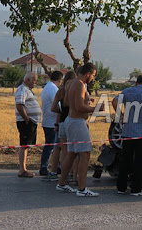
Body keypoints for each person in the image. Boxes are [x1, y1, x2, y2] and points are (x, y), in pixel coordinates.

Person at [56, 63, 99, 197]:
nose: (93, 78)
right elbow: (79, 106)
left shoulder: (69, 83)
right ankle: (82, 189)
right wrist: (96, 109)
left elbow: (69, 103)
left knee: (72, 153)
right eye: (93, 75)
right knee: (85, 154)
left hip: (70, 120)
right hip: (77, 122)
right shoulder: (80, 84)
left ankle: (62, 183)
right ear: (88, 74)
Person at [112, 74, 142, 196]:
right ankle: (136, 189)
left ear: (136, 83)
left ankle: (121, 188)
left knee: (125, 160)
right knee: (139, 161)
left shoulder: (127, 92)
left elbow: (114, 101)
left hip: (128, 133)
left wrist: (120, 115)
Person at [44, 71, 76, 182]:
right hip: (72, 122)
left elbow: (53, 108)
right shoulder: (74, 91)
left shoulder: (60, 91)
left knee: (62, 149)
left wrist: (61, 112)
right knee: (72, 149)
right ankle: (72, 173)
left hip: (62, 123)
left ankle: (63, 173)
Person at [15, 72, 42, 178]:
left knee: (26, 145)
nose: (36, 82)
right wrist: (27, 120)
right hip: (25, 122)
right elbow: (20, 105)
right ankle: (22, 169)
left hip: (30, 122)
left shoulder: (27, 90)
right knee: (24, 145)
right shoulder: (22, 89)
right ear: (28, 80)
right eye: (34, 80)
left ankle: (24, 168)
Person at [40, 71, 63, 176]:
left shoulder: (46, 87)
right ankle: (44, 167)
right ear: (59, 80)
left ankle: (53, 166)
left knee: (51, 145)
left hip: (46, 120)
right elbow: (58, 104)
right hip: (52, 122)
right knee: (51, 146)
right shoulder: (54, 89)